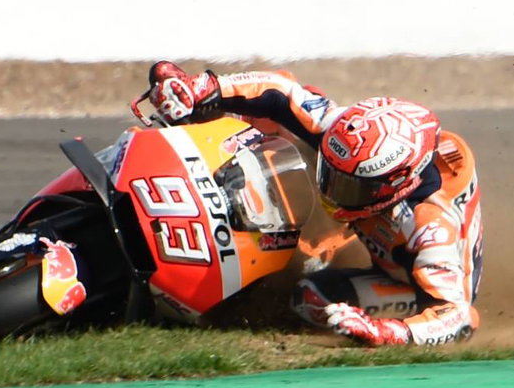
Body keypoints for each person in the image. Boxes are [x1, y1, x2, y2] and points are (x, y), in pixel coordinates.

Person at [145, 61, 483, 348]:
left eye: (351, 187)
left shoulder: (433, 228)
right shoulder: (342, 136)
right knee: (280, 108)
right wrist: (206, 88)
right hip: (370, 227)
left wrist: (386, 331)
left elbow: (458, 317)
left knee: (309, 297)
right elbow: (281, 91)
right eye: (332, 175)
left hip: (410, 286)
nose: (334, 192)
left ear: (398, 183)